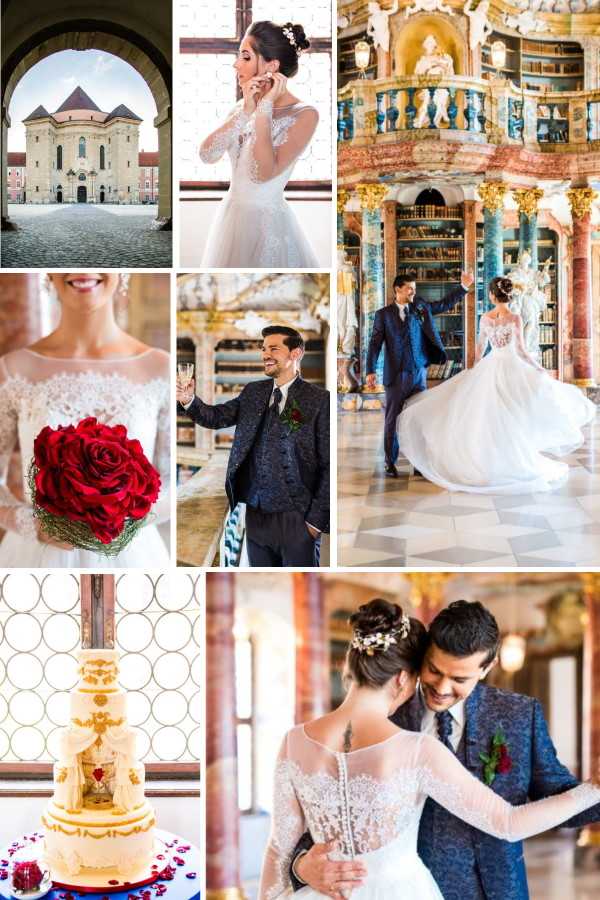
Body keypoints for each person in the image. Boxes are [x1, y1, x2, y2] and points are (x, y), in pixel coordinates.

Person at [264, 599, 600, 900]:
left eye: (459, 679)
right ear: (406, 674)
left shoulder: (518, 715)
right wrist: (302, 867)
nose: (441, 687)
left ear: (487, 667)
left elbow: (278, 846)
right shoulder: (405, 736)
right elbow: (507, 821)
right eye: (433, 671)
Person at [0, 273, 170, 567]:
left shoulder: (161, 368)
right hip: (37, 557)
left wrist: (124, 520)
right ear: (49, 274)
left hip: (133, 556)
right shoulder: (12, 369)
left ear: (122, 272)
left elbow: (171, 482)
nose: (82, 271)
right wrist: (34, 525)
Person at [398, 276, 596, 493]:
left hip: (491, 367)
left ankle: (487, 461)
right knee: (514, 414)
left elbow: (480, 349)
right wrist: (537, 367)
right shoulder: (515, 318)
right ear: (508, 295)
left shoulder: (485, 319)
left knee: (488, 416)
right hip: (512, 368)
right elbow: (520, 350)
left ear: (492, 295)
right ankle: (510, 457)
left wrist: (471, 369)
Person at [176, 325, 329, 567]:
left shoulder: (319, 400)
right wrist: (188, 400)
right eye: (263, 349)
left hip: (297, 519)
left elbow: (328, 466)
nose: (265, 354)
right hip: (256, 517)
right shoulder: (253, 392)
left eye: (274, 349)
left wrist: (315, 523)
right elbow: (216, 417)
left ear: (296, 353)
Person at [199, 21, 320, 267]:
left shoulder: (305, 114)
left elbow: (263, 173)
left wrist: (264, 108)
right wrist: (246, 111)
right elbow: (207, 155)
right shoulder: (243, 107)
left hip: (268, 226)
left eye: (245, 57)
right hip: (231, 218)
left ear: (271, 66)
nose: (236, 64)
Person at [365, 272, 473, 478]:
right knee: (392, 420)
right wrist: (370, 370)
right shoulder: (383, 315)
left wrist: (463, 288)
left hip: (418, 373)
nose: (414, 291)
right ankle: (390, 462)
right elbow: (375, 344)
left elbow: (442, 305)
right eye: (409, 288)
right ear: (398, 289)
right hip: (396, 376)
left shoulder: (420, 307)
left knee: (419, 419)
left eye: (414, 288)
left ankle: (419, 463)